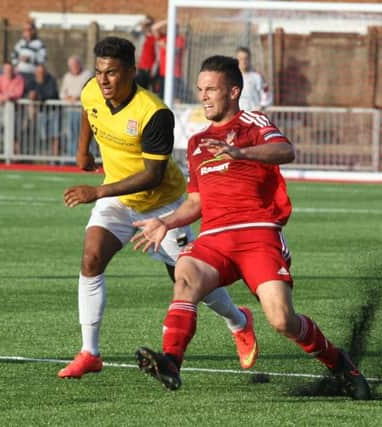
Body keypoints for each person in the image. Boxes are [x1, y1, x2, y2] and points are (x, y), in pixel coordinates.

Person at [131, 55, 372, 400]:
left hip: (258, 233)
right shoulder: (198, 144)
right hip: (214, 239)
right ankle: (171, 360)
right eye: (200, 89)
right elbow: (197, 202)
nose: (204, 96)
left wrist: (240, 153)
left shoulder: (252, 122)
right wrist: (164, 222)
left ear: (233, 91)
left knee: (282, 320)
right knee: (184, 274)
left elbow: (284, 150)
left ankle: (338, 362)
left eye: (211, 89)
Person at [58, 37, 256, 380]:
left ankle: (238, 320)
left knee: (189, 279)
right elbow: (88, 111)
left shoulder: (154, 114)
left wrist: (97, 190)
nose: (104, 80)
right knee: (91, 259)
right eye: (100, 72)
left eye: (113, 73)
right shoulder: (93, 89)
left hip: (163, 205)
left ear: (132, 72)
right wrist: (82, 151)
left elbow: (151, 176)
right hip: (118, 200)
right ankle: (90, 352)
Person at [59, 55, 92, 159]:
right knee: (72, 135)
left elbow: (89, 91)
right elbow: (62, 93)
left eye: (75, 65)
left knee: (85, 136)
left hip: (84, 111)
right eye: (71, 66)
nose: (74, 67)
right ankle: (72, 158)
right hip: (70, 111)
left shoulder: (87, 74)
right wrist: (68, 98)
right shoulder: (67, 76)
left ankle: (87, 157)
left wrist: (77, 97)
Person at [26, 63, 59, 158]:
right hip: (40, 113)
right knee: (43, 136)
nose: (40, 74)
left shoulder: (51, 80)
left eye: (41, 72)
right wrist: (30, 95)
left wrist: (38, 96)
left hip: (53, 112)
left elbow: (51, 93)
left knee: (54, 135)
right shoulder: (32, 82)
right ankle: (45, 157)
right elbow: (26, 92)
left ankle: (55, 158)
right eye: (38, 72)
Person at [0, 62, 24, 154]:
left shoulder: (18, 79)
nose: (8, 71)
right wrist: (3, 98)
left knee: (16, 134)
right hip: (2, 110)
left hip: (16, 111)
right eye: (6, 69)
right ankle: (4, 154)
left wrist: (9, 97)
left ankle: (16, 157)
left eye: (10, 69)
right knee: (2, 132)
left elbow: (18, 92)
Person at [152, 20, 186, 101]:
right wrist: (167, 21)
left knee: (176, 98)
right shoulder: (164, 37)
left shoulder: (180, 39)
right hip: (163, 73)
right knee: (161, 97)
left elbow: (175, 51)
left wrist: (165, 45)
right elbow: (153, 28)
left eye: (175, 28)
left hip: (175, 74)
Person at [235, 47, 273, 112]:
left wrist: (261, 106)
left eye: (246, 59)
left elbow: (266, 93)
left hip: (252, 114)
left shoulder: (257, 77)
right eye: (241, 59)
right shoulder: (232, 77)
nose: (243, 61)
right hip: (237, 115)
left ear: (249, 59)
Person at [135, 16, 157, 90]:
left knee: (151, 91)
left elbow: (158, 56)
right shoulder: (142, 37)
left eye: (149, 25)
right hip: (141, 68)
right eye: (146, 26)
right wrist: (141, 22)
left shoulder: (155, 38)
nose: (147, 28)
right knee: (140, 90)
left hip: (151, 70)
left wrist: (154, 68)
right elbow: (132, 30)